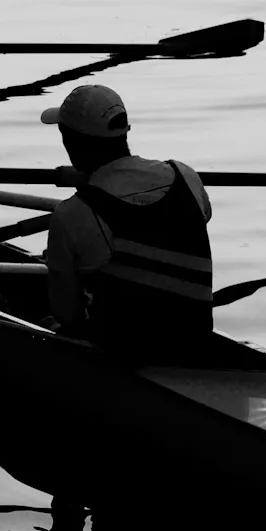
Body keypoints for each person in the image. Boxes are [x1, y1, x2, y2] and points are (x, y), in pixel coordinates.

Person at [41, 83, 213, 353]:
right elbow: (183, 220)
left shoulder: (73, 213)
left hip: (125, 356)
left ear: (68, 139)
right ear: (124, 131)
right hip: (197, 344)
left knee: (51, 324)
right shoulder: (185, 176)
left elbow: (67, 314)